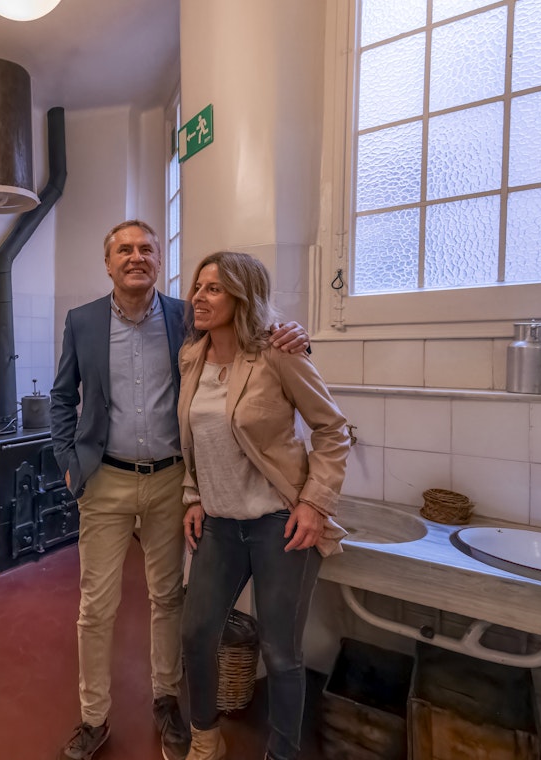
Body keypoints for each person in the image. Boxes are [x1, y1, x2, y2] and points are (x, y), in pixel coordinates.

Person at [50, 221, 310, 760]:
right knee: (96, 607)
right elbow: (60, 398)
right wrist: (69, 462)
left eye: (147, 248)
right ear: (108, 263)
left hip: (172, 481)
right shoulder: (82, 321)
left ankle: (167, 701)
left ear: (158, 261)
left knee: (167, 599)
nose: (137, 257)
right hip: (105, 480)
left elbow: (248, 334)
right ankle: (93, 717)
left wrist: (299, 336)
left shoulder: (184, 316)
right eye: (124, 249)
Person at [178, 251, 350, 760]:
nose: (198, 298)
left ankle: (282, 752)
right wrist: (193, 496)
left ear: (241, 296)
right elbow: (192, 439)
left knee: (281, 654)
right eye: (197, 287)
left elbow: (332, 428)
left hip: (280, 524)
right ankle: (206, 738)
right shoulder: (192, 357)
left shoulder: (278, 353)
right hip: (220, 524)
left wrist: (316, 504)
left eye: (213, 289)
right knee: (194, 635)